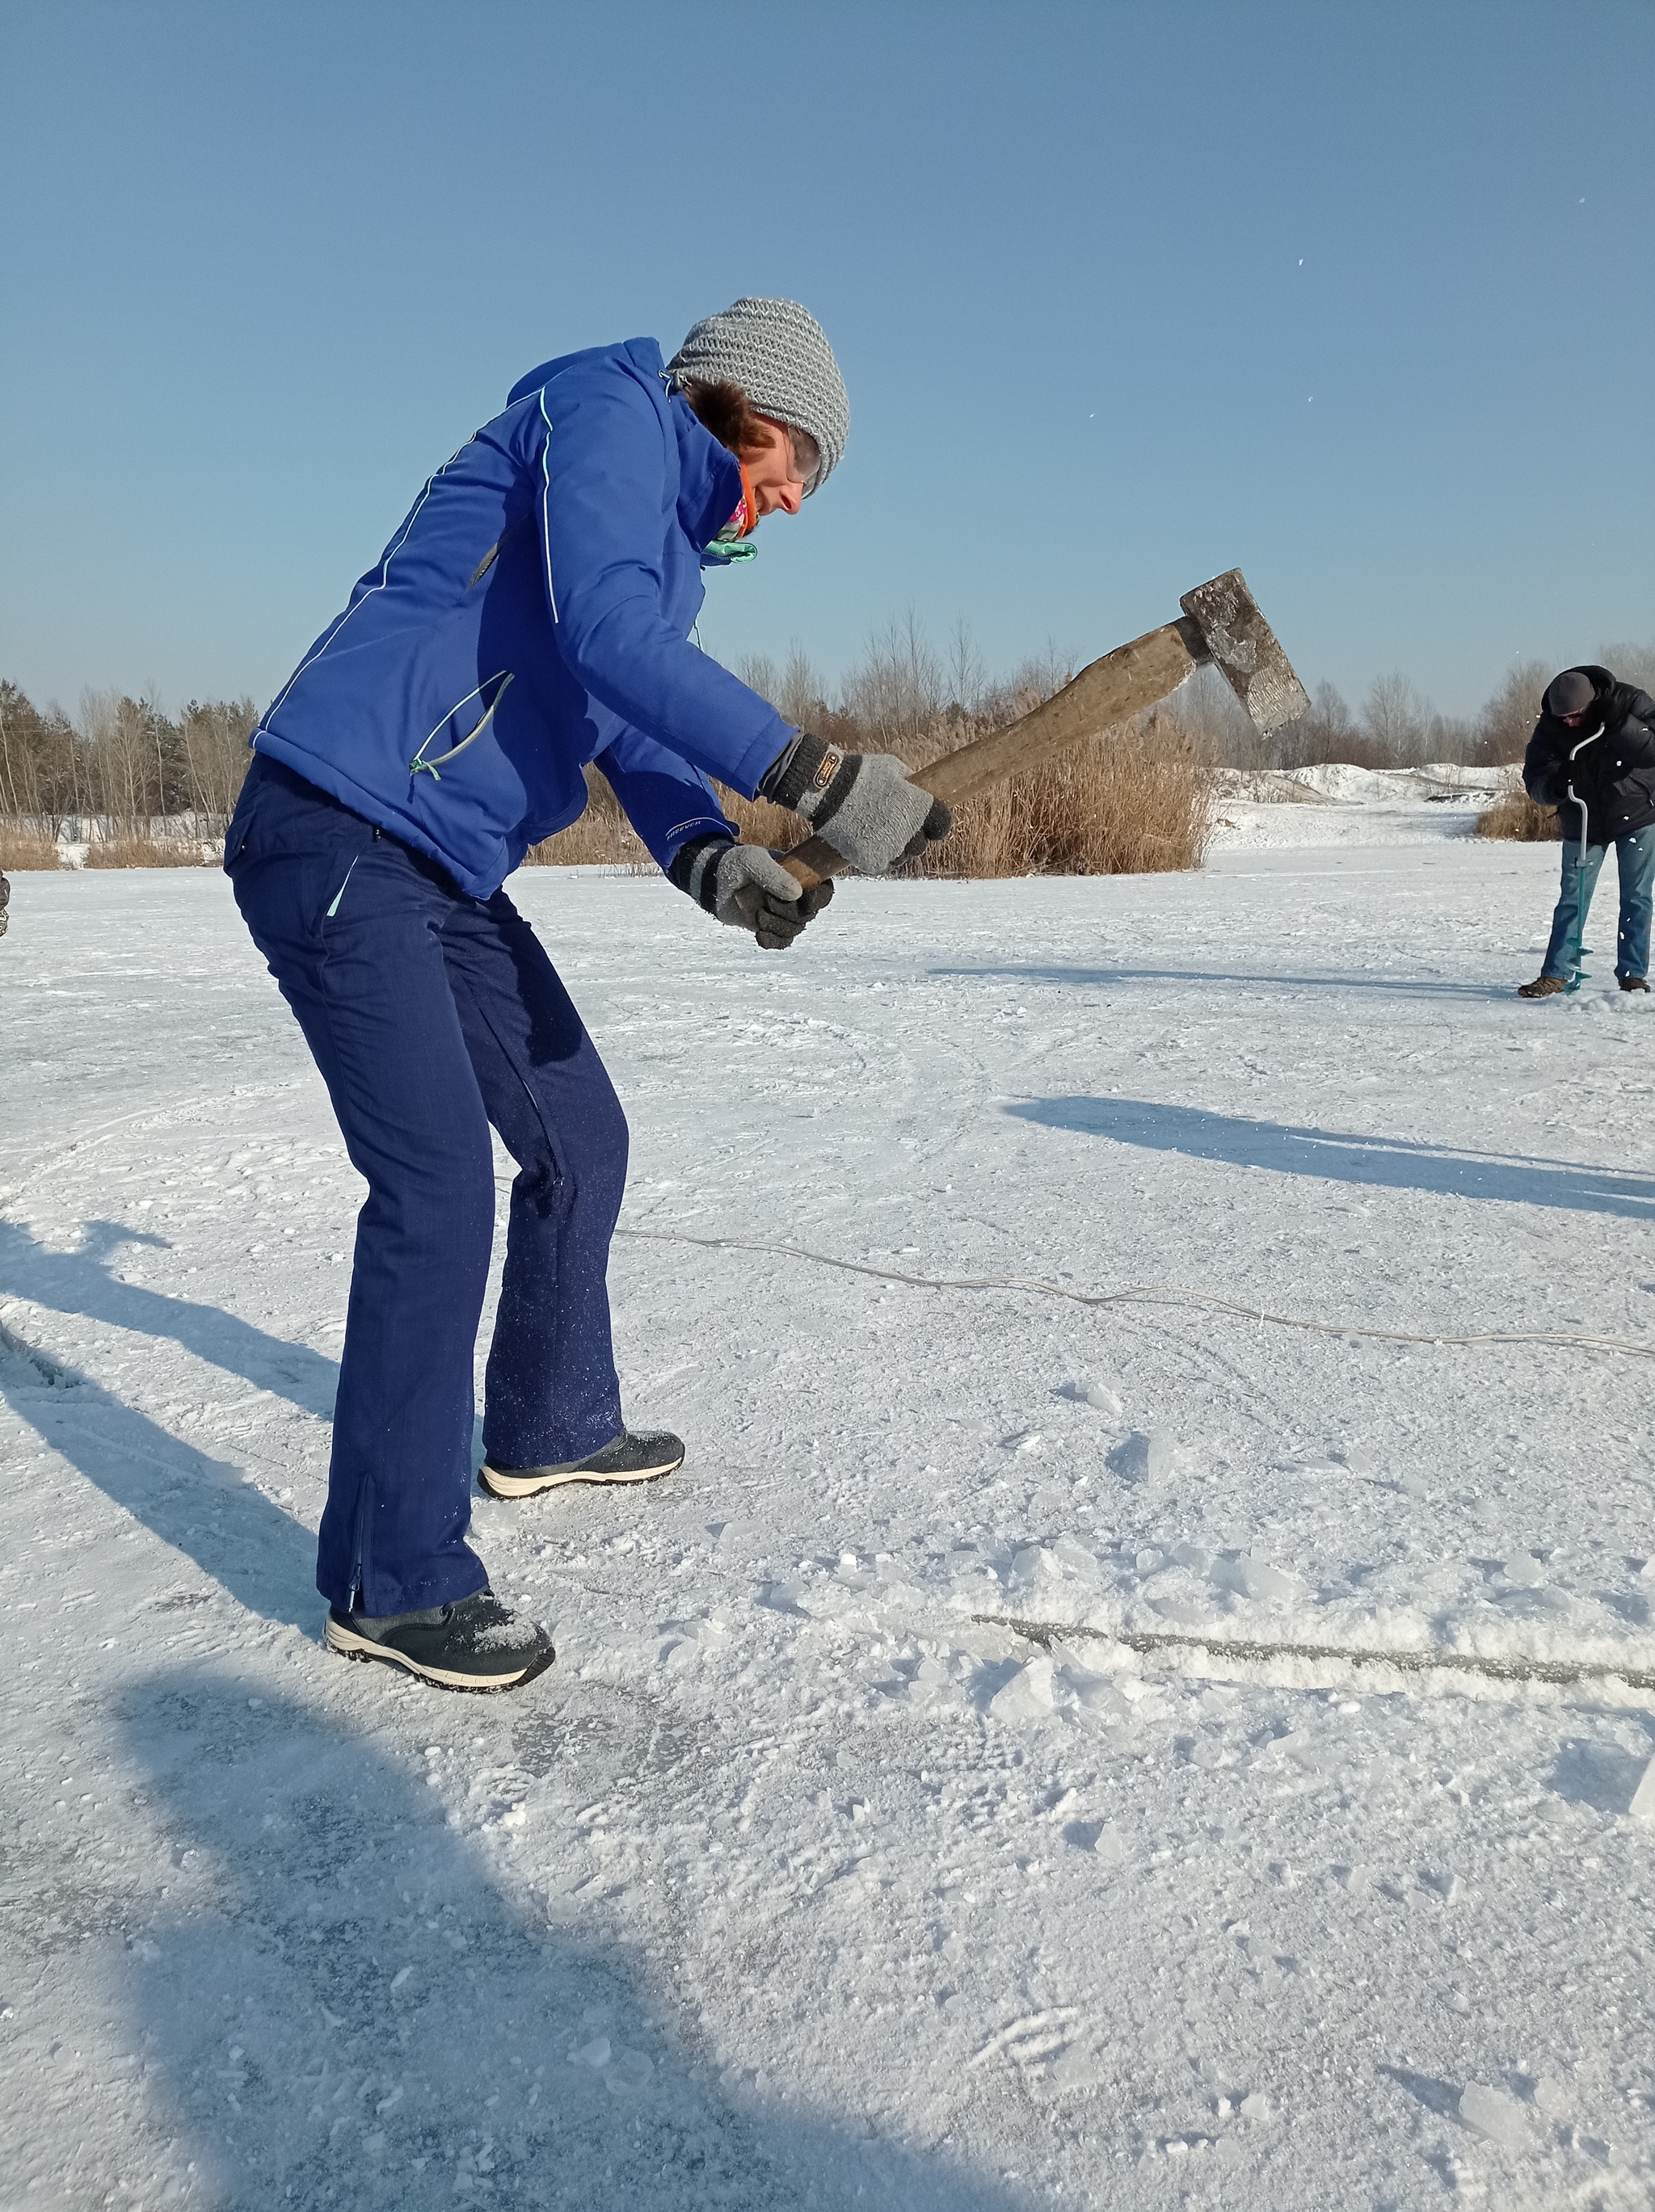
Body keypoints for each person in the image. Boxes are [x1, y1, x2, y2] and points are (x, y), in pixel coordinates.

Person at [223, 299, 950, 1693]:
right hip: (335, 826)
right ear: (742, 402)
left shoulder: (662, 553)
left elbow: (621, 711)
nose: (793, 498)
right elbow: (612, 642)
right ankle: (391, 1575)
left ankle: (546, 1421)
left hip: (435, 865)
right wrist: (814, 777)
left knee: (578, 1136)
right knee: (435, 1189)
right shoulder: (604, 412)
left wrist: (716, 857)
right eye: (799, 460)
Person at [1518, 665, 1655, 998]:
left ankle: (1633, 974)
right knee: (1572, 898)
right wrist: (1555, 784)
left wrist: (1621, 725)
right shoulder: (1551, 723)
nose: (1569, 723)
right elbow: (1534, 777)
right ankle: (1556, 973)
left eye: (1576, 715)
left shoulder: (1630, 702)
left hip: (1635, 813)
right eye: (1563, 717)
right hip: (1582, 821)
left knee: (1637, 897)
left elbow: (1651, 751)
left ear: (1592, 701)